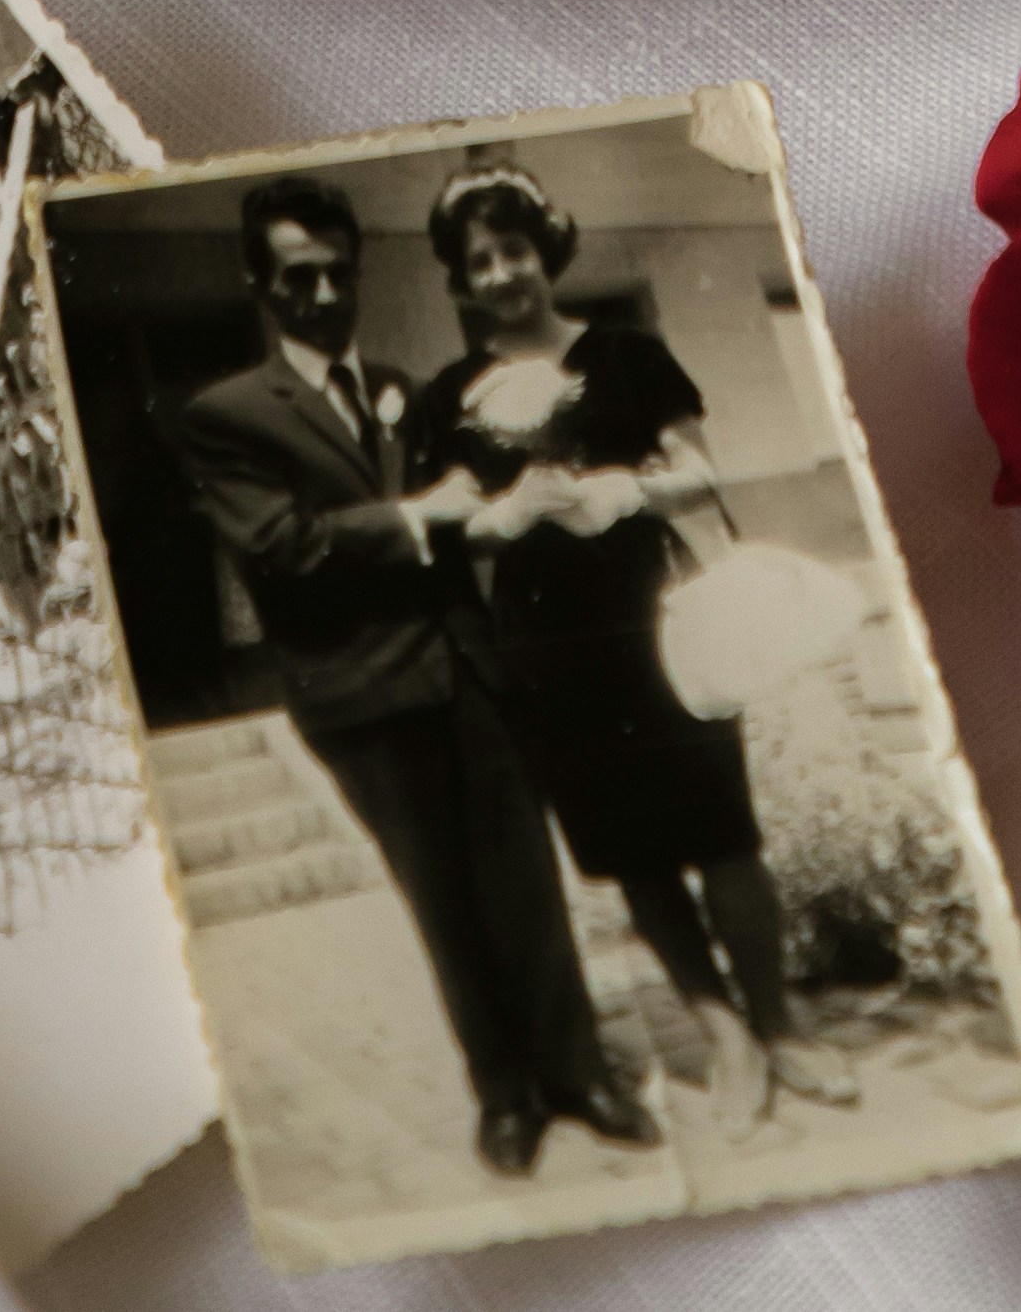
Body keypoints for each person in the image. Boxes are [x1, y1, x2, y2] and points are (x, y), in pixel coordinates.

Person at [164, 171, 659, 1181]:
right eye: (296, 277)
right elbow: (282, 548)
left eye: (336, 272)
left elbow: (470, 506)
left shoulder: (398, 385)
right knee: (441, 899)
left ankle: (578, 1071)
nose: (321, 294)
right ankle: (505, 1095)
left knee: (525, 883)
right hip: (359, 695)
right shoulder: (224, 413)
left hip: (465, 671)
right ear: (260, 284)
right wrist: (414, 515)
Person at [403, 156, 860, 1136]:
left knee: (723, 830)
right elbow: (448, 522)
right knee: (632, 850)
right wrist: (503, 514)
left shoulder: (626, 353)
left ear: (546, 250)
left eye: (514, 248)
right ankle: (723, 1034)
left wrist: (628, 488)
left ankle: (777, 1022)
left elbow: (698, 468)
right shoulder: (446, 395)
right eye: (478, 260)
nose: (500, 273)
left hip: (656, 617)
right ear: (459, 279)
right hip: (545, 643)